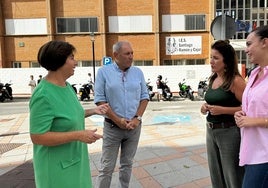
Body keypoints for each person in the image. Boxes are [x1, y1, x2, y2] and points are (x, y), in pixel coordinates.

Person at [29, 40, 109, 188]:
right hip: (56, 169)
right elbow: (37, 136)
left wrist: (93, 111)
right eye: (71, 58)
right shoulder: (43, 95)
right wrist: (78, 135)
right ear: (59, 61)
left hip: (75, 161)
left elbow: (67, 116)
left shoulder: (67, 87)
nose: (76, 62)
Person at [94, 41, 149, 188]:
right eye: (127, 54)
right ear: (115, 55)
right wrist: (117, 120)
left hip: (133, 128)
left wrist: (137, 118)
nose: (131, 57)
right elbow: (100, 100)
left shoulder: (138, 72)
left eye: (132, 53)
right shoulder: (103, 72)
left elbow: (144, 97)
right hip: (112, 128)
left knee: (127, 164)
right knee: (106, 167)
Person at [200, 40, 246, 188]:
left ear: (226, 61)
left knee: (232, 174)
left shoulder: (236, 81)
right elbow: (213, 99)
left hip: (229, 131)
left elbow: (248, 109)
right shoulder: (213, 78)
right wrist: (204, 107)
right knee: (216, 173)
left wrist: (223, 110)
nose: (211, 61)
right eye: (211, 57)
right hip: (211, 130)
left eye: (215, 58)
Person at [234, 25, 268, 188]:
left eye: (249, 44)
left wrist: (253, 121)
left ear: (265, 42)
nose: (246, 50)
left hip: (265, 154)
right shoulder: (254, 74)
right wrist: (241, 114)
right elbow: (253, 107)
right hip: (250, 150)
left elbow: (255, 118)